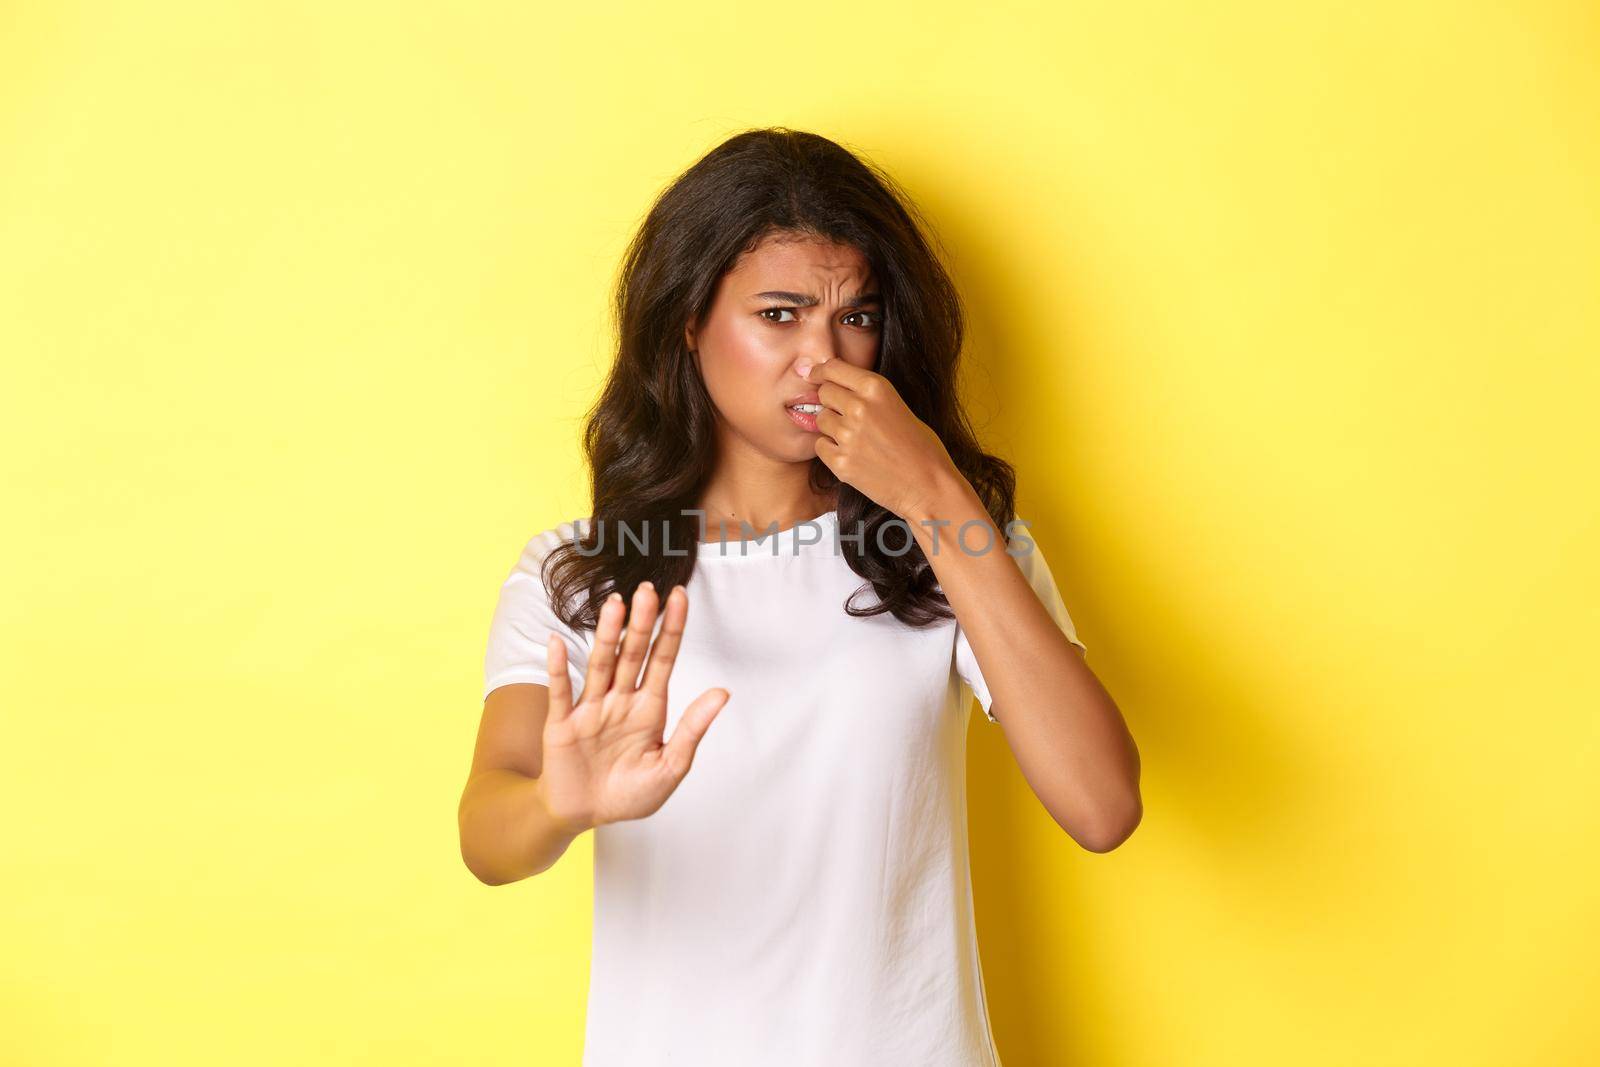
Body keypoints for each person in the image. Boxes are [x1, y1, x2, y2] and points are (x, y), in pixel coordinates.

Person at [457, 127, 1142, 1067]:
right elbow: (488, 836)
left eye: (854, 317)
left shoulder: (952, 547)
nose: (822, 358)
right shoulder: (582, 573)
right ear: (689, 320)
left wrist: (936, 494)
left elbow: (1102, 806)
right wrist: (559, 803)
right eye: (779, 315)